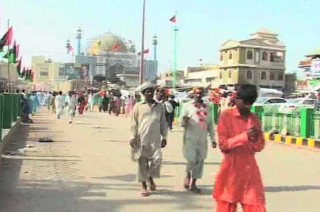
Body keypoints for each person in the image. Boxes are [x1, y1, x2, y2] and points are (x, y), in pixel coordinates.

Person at [213, 84, 266, 212]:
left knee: (256, 205)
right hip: (230, 169)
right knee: (227, 205)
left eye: (250, 103)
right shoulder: (226, 116)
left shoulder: (254, 119)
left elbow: (259, 146)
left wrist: (255, 140)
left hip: (249, 170)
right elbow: (223, 145)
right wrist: (244, 137)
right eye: (245, 102)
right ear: (236, 99)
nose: (248, 106)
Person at [130, 82, 168, 197]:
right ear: (143, 94)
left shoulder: (159, 106)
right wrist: (132, 136)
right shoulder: (138, 106)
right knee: (142, 162)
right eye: (147, 92)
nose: (150, 93)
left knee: (157, 160)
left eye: (152, 91)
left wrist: (165, 136)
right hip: (141, 138)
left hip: (155, 139)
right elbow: (134, 123)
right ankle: (144, 186)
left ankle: (150, 177)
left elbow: (163, 123)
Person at [179, 87, 216, 193]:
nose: (198, 95)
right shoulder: (187, 106)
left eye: (200, 93)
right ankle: (188, 174)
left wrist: (213, 139)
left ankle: (194, 183)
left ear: (203, 94)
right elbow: (182, 122)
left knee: (200, 160)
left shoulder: (208, 106)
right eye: (197, 93)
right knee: (191, 159)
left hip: (202, 138)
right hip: (190, 137)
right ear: (193, 94)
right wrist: (185, 121)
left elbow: (210, 124)